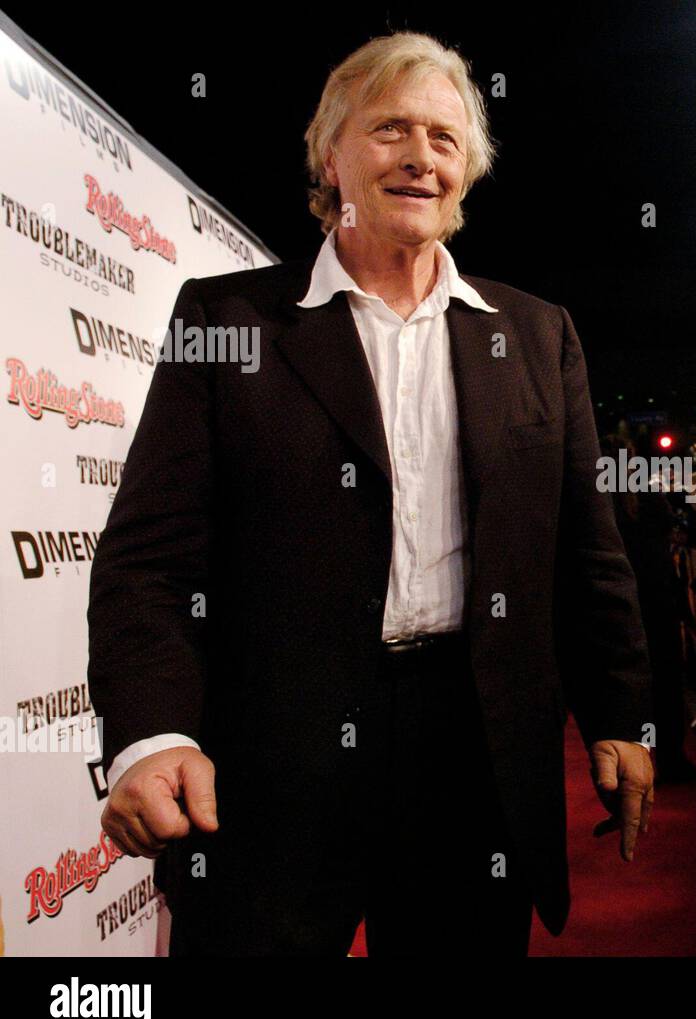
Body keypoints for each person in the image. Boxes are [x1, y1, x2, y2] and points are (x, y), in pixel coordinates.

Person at [87, 32, 655, 957]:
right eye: (390, 128)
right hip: (268, 768)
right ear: (330, 156)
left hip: (474, 763)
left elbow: (587, 552)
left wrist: (620, 713)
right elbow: (149, 562)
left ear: (465, 171)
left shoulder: (538, 334)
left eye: (443, 137)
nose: (420, 156)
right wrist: (152, 735)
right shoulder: (225, 321)